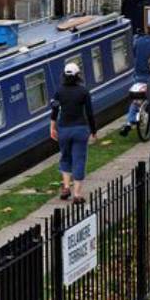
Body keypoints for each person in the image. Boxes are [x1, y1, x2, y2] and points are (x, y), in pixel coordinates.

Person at [50, 62, 97, 205]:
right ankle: (77, 194)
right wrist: (93, 131)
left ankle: (65, 187)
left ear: (64, 75)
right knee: (79, 159)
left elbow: (55, 111)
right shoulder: (83, 91)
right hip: (80, 129)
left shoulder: (59, 91)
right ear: (78, 76)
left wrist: (52, 127)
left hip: (63, 128)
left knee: (65, 157)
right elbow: (89, 113)